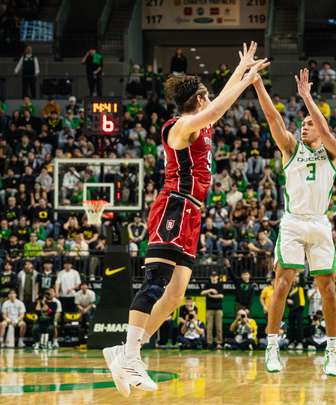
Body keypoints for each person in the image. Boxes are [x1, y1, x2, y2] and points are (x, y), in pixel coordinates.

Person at [104, 42, 270, 395]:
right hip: (174, 207)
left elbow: (220, 104)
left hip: (192, 212)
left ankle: (125, 352)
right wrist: (244, 77)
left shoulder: (201, 121)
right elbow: (219, 107)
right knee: (154, 284)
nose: (211, 100)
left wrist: (241, 71)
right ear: (198, 101)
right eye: (206, 96)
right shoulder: (179, 127)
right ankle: (129, 355)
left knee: (176, 293)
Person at [253, 68, 336, 376]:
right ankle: (272, 345)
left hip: (319, 222)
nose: (304, 126)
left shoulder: (333, 150)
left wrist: (307, 98)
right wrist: (257, 82)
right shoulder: (290, 148)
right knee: (282, 283)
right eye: (302, 123)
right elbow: (272, 117)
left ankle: (331, 351)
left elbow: (326, 131)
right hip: (292, 221)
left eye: (309, 123)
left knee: (328, 287)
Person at [200, 271, 224, 349]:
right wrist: (210, 290)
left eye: (215, 276)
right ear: (210, 277)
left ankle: (219, 342)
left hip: (218, 309)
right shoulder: (208, 285)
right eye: (212, 276)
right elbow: (202, 293)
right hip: (209, 309)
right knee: (209, 327)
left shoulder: (220, 285)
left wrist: (212, 296)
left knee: (218, 327)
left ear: (217, 277)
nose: (213, 277)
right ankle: (209, 342)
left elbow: (221, 295)